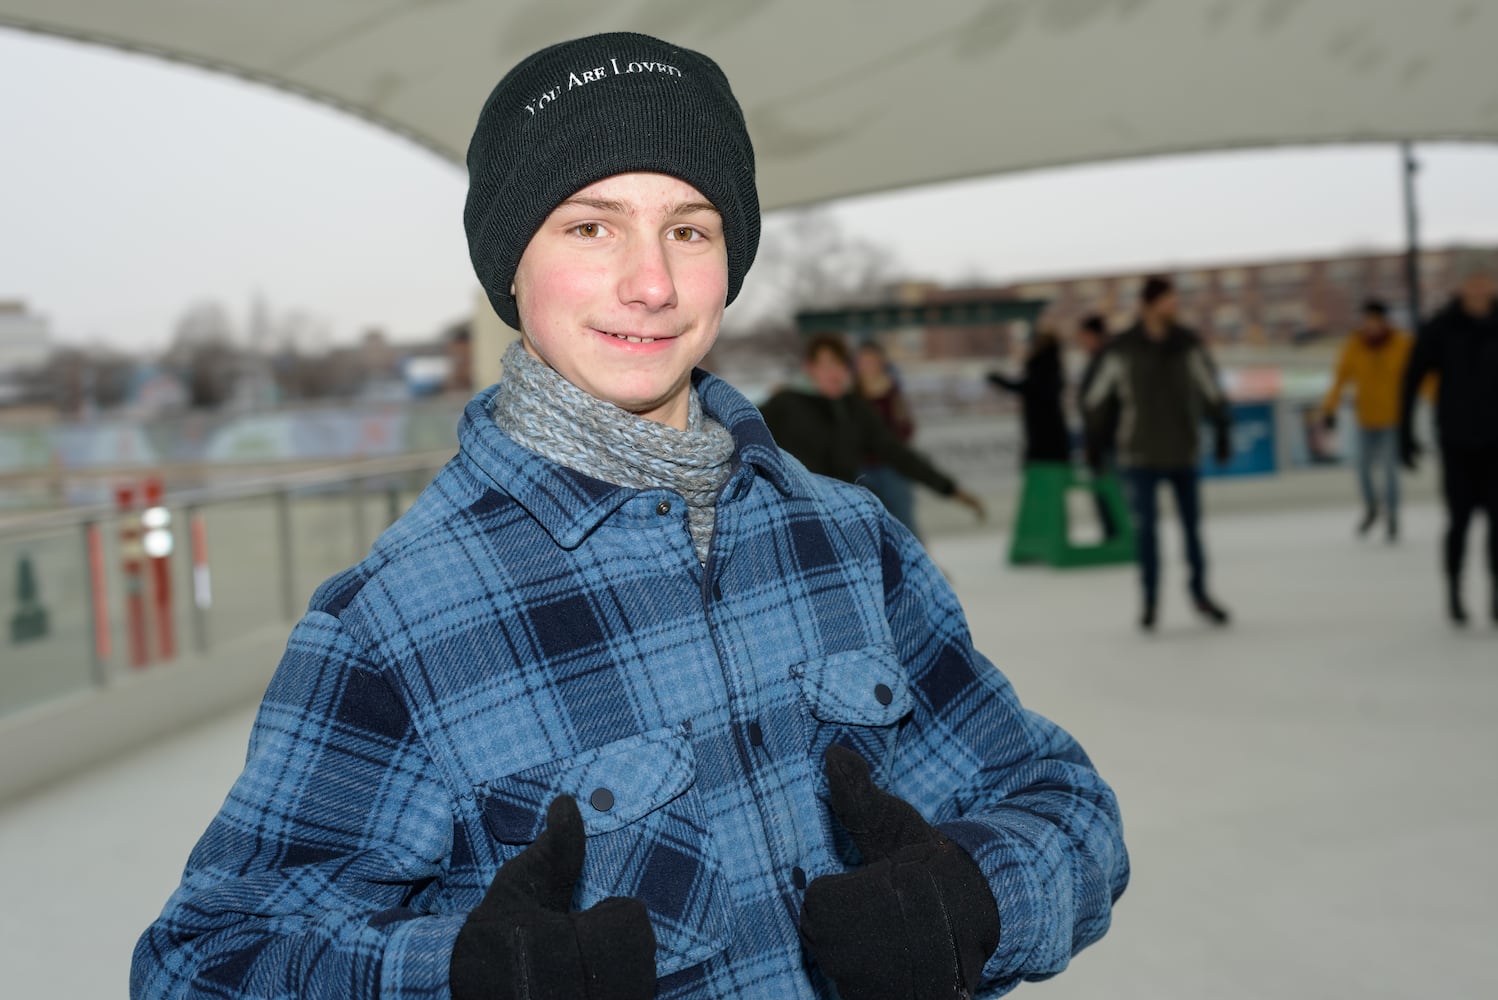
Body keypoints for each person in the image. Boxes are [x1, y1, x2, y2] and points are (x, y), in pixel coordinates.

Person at [132, 31, 1127, 1000]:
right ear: (509, 266)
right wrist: (460, 977)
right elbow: (205, 962)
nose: (650, 284)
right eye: (589, 225)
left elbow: (1066, 805)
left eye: (688, 230)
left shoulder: (847, 542)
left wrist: (981, 896)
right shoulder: (397, 621)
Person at [1085, 275, 1233, 631]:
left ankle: (1200, 594)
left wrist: (1223, 429)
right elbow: (1096, 400)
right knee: (1147, 533)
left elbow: (1210, 389)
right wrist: (1095, 443)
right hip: (1140, 455)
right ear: (1149, 305)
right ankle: (1150, 601)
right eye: (1168, 300)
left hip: (1183, 451)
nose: (1174, 306)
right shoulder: (1123, 348)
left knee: (1193, 531)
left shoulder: (1187, 344)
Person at [761, 333, 988, 527]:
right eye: (826, 364)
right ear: (809, 368)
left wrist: (950, 489)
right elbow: (744, 434)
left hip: (841, 514)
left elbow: (895, 452)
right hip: (793, 513)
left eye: (840, 364)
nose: (834, 372)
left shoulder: (855, 409)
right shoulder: (785, 404)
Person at [1399, 250, 1498, 625]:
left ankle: (1496, 596)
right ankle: (1454, 593)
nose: (1479, 288)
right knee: (1458, 522)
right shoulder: (1441, 327)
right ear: (1461, 285)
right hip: (1457, 442)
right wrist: (1405, 433)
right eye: (1472, 281)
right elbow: (1411, 379)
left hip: (1496, 444)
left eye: (1485, 280)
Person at [1318, 299, 1418, 541]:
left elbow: (1421, 375)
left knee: (1389, 470)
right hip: (1365, 419)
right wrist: (1329, 409)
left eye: (1375, 321)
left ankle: (1392, 515)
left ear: (1384, 322)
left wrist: (1440, 400)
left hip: (1393, 419)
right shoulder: (1355, 346)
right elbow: (1340, 379)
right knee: (1362, 468)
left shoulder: (1401, 345)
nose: (1371, 327)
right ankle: (1372, 508)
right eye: (1367, 322)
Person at [852, 339, 921, 538]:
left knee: (903, 523)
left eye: (872, 360)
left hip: (892, 467)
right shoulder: (850, 394)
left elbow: (906, 427)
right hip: (861, 468)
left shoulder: (892, 391)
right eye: (863, 361)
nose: (868, 366)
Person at [986, 328, 1071, 464]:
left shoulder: (1042, 367)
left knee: (1041, 469)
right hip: (1051, 435)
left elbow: (1027, 388)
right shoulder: (1051, 367)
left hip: (1043, 436)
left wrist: (999, 380)